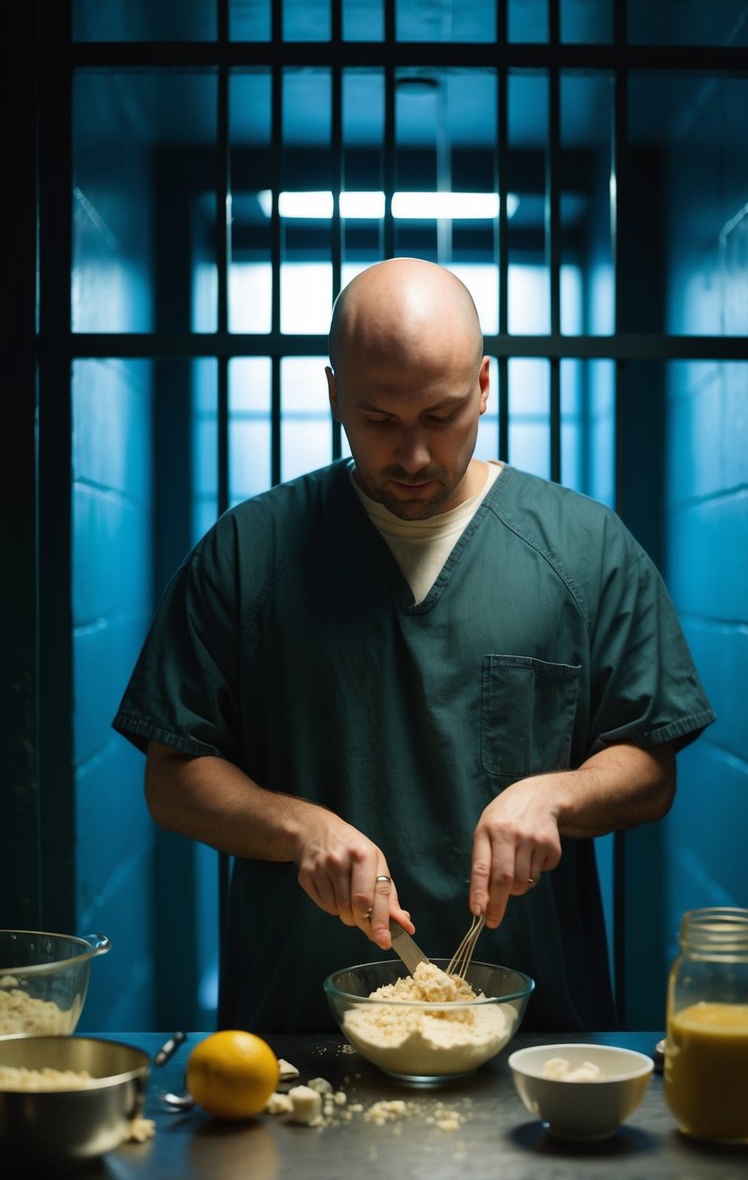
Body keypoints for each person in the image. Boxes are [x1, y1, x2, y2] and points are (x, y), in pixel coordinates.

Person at [113, 257, 715, 1033]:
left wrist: (554, 794)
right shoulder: (247, 554)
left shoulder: (584, 549)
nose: (413, 456)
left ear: (486, 387)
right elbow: (173, 778)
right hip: (299, 1025)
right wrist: (299, 827)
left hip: (531, 1032)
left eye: (440, 416)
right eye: (378, 420)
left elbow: (649, 769)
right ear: (332, 394)